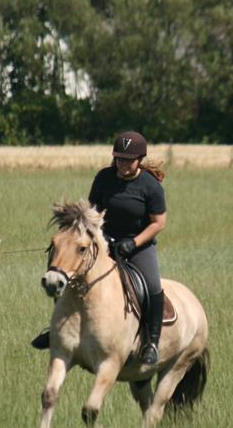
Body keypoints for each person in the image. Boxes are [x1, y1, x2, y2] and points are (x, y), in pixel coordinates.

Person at [32, 130, 168, 365]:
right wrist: (91, 239)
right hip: (103, 242)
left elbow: (158, 223)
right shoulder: (104, 177)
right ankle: (57, 329)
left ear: (140, 159)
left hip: (138, 246)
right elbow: (91, 213)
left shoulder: (150, 185)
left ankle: (151, 342)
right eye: (119, 158)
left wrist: (133, 243)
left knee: (153, 286)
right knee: (67, 273)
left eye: (128, 160)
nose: (122, 164)